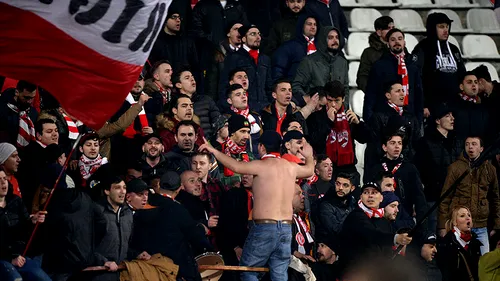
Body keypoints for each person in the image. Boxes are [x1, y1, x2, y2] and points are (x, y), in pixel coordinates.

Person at [199, 130, 315, 281]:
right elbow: (310, 170)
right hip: (286, 228)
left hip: (265, 227)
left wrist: (213, 150)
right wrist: (309, 156)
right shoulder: (291, 167)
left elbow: (236, 166)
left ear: (261, 147)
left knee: (249, 271)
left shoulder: (260, 165)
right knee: (280, 274)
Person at [130, 171, 213, 281]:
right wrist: (202, 230)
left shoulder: (143, 204)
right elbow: (195, 235)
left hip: (146, 268)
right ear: (179, 189)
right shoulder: (177, 209)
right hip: (173, 269)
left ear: (159, 185)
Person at [438, 136, 500, 255]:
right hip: (459, 225)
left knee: (483, 263)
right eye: (467, 144)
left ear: (481, 148)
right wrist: (442, 225)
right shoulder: (455, 168)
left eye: (474, 144)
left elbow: (495, 198)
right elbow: (445, 197)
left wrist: (497, 225)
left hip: (481, 226)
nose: (470, 147)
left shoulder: (490, 169)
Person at [339, 182, 412, 272]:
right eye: (366, 192)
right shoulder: (355, 217)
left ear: (381, 198)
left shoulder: (384, 222)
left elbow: (387, 251)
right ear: (361, 197)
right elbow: (372, 234)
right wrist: (395, 238)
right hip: (354, 273)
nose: (370, 196)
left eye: (374, 192)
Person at [365, 131, 427, 231]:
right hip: (379, 220)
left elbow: (420, 199)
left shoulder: (410, 169)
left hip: (404, 219)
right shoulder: (375, 169)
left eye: (399, 143)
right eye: (393, 143)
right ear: (384, 147)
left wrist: (423, 227)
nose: (397, 146)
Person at [414, 103, 462, 232]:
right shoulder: (424, 143)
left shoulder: (457, 141)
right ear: (437, 120)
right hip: (433, 198)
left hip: (454, 198)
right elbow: (419, 171)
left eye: (452, 116)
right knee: (433, 233)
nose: (452, 119)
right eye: (447, 116)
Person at [0, 167, 50, 281]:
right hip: (3, 259)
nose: (3, 182)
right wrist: (9, 259)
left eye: (4, 178)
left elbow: (25, 228)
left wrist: (33, 220)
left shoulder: (16, 201)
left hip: (21, 256)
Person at [364, 28, 423, 123]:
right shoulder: (379, 66)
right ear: (387, 44)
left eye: (400, 39)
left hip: (410, 117)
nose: (397, 42)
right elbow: (371, 95)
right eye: (393, 40)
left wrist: (419, 120)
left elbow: (418, 95)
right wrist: (368, 119)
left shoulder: (413, 66)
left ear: (404, 42)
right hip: (386, 117)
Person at [412, 12, 465, 115]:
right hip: (432, 107)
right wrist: (423, 104)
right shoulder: (422, 48)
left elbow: (462, 74)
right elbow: (416, 77)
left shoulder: (453, 49)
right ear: (432, 28)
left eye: (447, 26)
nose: (446, 30)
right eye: (441, 27)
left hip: (455, 104)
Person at [364, 81, 422, 171]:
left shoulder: (411, 117)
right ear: (388, 95)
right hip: (384, 167)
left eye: (403, 91)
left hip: (406, 166)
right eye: (398, 91)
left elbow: (417, 143)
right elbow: (375, 145)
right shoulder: (378, 117)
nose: (402, 94)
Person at [219, 24, 273, 112]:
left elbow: (269, 86)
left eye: (259, 34)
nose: (258, 37)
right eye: (253, 34)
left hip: (264, 108)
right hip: (244, 108)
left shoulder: (265, 59)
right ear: (243, 39)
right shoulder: (233, 58)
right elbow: (224, 85)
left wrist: (270, 104)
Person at [292, 27, 348, 108]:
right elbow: (296, 85)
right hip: (315, 111)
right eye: (330, 38)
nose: (335, 40)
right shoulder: (309, 61)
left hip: (336, 111)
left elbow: (345, 88)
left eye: (337, 37)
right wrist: (310, 102)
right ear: (323, 40)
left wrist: (344, 108)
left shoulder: (342, 62)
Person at [91, 177, 133, 281]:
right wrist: (103, 261)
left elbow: (129, 242)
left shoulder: (128, 213)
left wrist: (137, 253)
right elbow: (86, 245)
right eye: (117, 188)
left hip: (122, 272)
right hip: (99, 272)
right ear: (107, 191)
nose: (123, 191)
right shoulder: (96, 212)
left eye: (124, 187)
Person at [172, 67, 220, 137]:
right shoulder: (174, 103)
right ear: (179, 85)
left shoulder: (206, 100)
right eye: (187, 78)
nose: (192, 79)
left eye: (192, 77)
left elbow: (218, 121)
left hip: (208, 141)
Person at [437, 206, 481, 281]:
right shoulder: (446, 243)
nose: (468, 218)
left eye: (469, 215)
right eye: (462, 216)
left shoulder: (475, 242)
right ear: (455, 222)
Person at [204, 22, 243, 101]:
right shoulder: (218, 54)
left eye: (242, 30)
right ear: (228, 33)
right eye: (236, 29)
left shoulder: (248, 54)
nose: (240, 32)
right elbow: (212, 83)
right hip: (224, 101)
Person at [272, 14, 319, 80]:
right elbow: (278, 69)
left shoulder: (321, 47)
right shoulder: (289, 47)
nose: (313, 27)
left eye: (315, 24)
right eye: (309, 24)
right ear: (302, 26)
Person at [356, 16, 394, 92]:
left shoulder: (400, 49)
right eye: (388, 28)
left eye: (393, 28)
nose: (392, 31)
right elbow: (362, 78)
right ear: (379, 32)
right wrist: (374, 93)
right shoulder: (368, 53)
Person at [315, 172, 356, 241]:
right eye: (338, 184)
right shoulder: (326, 205)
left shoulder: (353, 202)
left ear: (352, 188)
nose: (340, 188)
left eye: (345, 185)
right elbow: (335, 230)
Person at [225, 84, 263, 157]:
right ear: (230, 100)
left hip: (257, 160)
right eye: (238, 95)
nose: (243, 96)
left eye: (244, 94)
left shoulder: (255, 117)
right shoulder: (227, 118)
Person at [449, 72, 489, 141]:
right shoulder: (452, 106)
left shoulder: (484, 106)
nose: (474, 85)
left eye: (476, 82)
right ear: (461, 87)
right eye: (469, 82)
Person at [0, 80, 38, 147]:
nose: (29, 101)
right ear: (17, 92)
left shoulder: (33, 112)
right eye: (26, 98)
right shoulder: (2, 108)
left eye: (32, 98)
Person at [220, 114, 254, 187]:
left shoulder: (250, 155)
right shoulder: (219, 153)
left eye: (248, 132)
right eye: (242, 131)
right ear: (232, 132)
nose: (247, 136)